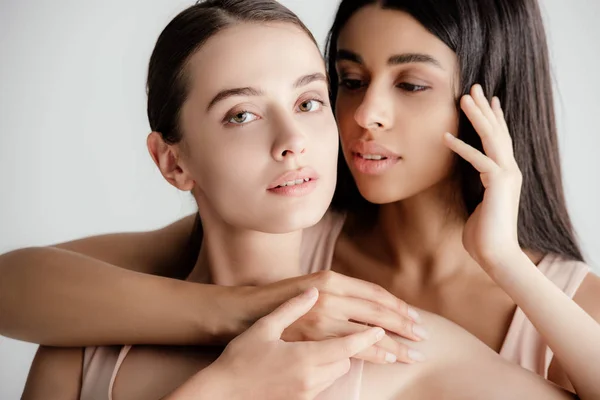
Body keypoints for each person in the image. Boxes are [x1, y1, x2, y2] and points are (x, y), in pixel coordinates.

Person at [2, 0, 599, 398]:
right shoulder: (81, 352)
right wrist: (239, 332)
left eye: (309, 102)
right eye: (347, 83)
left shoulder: (404, 348)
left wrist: (504, 260)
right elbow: (17, 284)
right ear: (171, 161)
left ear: (488, 102)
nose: (364, 116)